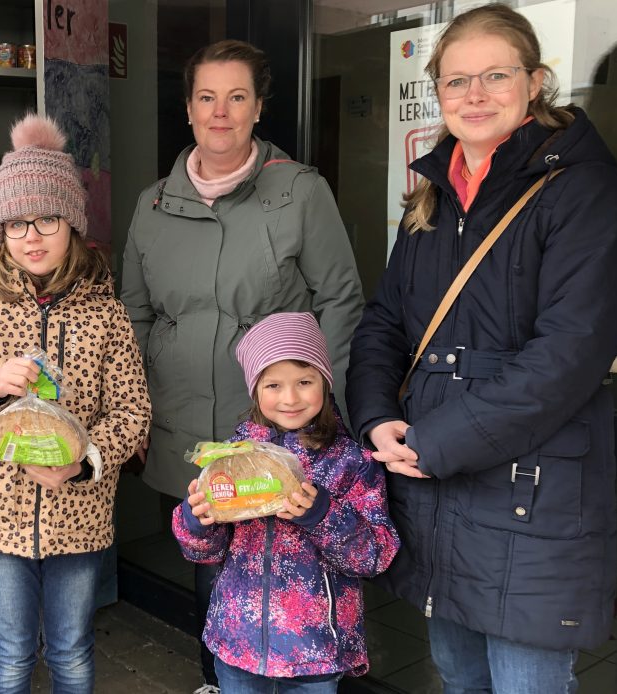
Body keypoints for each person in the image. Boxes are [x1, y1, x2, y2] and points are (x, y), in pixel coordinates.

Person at [347, 5, 617, 693]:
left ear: (535, 81)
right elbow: (386, 320)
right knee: (458, 676)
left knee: (524, 684)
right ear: (439, 92)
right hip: (435, 483)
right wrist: (373, 416)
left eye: (495, 75)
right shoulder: (433, 197)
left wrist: (433, 440)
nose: (474, 95)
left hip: (527, 494)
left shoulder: (582, 191)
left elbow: (567, 357)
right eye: (456, 81)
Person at [120, 39, 364, 692]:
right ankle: (220, 680)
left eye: (236, 97)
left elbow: (342, 297)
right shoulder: (151, 206)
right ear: (189, 107)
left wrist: (322, 405)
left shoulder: (299, 192)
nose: (219, 112)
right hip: (184, 420)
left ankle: (304, 675)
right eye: (206, 97)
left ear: (259, 107)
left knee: (290, 556)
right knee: (211, 559)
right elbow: (134, 318)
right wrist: (140, 412)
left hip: (278, 422)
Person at [0, 113, 151, 694]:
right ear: (0, 231)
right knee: (8, 655)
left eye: (48, 219)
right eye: (16, 223)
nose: (32, 236)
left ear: (73, 224)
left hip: (78, 517)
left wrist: (82, 463)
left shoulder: (105, 312)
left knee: (73, 653)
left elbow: (132, 413)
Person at [173, 312, 398, 693]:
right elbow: (203, 553)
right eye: (273, 384)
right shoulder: (232, 459)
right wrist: (197, 522)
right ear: (255, 391)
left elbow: (374, 556)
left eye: (304, 382)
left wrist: (322, 514)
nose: (290, 398)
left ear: (325, 384)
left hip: (315, 649)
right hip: (239, 642)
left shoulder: (350, 462)